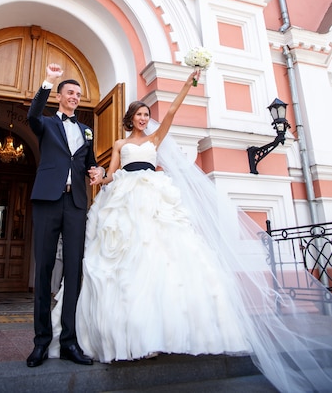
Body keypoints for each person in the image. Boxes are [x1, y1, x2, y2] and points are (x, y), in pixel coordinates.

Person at [49, 69, 332, 393]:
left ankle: (169, 331)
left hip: (154, 195)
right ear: (130, 118)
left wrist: (188, 83)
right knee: (125, 262)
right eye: (139, 115)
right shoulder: (120, 143)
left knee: (164, 256)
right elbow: (112, 173)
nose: (144, 119)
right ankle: (128, 334)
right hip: (125, 195)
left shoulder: (155, 138)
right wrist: (100, 176)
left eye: (146, 114)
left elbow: (170, 112)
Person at [26, 63, 103, 368]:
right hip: (47, 201)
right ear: (59, 96)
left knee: (74, 272)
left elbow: (91, 164)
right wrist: (48, 80)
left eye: (78, 94)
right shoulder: (45, 123)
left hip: (75, 205)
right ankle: (41, 343)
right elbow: (31, 115)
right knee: (44, 270)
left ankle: (69, 342)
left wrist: (99, 172)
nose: (75, 97)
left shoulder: (86, 130)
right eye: (70, 92)